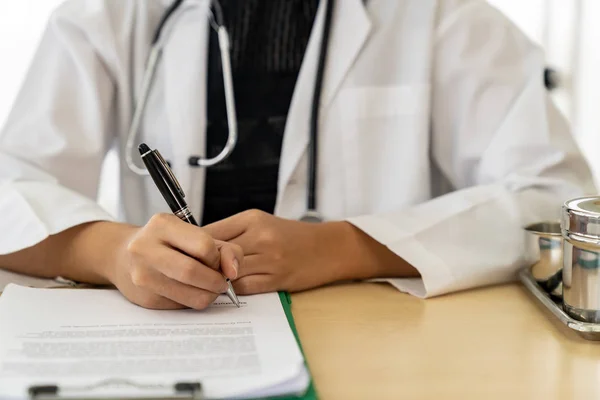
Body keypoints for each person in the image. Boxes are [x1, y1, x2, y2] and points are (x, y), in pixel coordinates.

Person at [0, 0, 594, 310]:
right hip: (175, 338)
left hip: (379, 349)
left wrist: (345, 245)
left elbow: (553, 196)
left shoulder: (442, 17)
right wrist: (114, 252)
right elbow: (13, 186)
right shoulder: (108, 16)